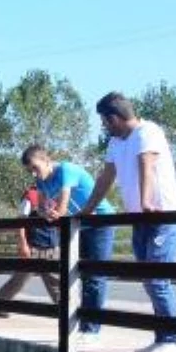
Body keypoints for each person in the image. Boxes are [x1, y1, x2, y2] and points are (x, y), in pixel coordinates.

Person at [79, 92, 176, 352]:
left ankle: (173, 339)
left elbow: (146, 164)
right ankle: (163, 337)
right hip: (140, 219)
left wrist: (148, 201)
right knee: (149, 281)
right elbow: (106, 177)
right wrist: (86, 211)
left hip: (164, 218)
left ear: (113, 118)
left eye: (104, 121)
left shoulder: (147, 131)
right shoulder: (116, 141)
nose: (104, 126)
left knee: (157, 279)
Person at [22, 145, 117, 341]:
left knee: (95, 277)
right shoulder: (41, 181)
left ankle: (91, 330)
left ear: (47, 161)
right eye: (30, 171)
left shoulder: (65, 170)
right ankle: (80, 326)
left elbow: (63, 207)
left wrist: (54, 212)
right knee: (77, 276)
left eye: (35, 168)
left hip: (100, 222)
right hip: (79, 226)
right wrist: (46, 212)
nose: (34, 174)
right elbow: (40, 208)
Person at [0, 181, 59, 316]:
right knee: (20, 280)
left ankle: (65, 311)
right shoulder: (30, 196)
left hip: (52, 245)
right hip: (33, 244)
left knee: (56, 281)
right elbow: (21, 221)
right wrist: (23, 244)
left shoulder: (56, 193)